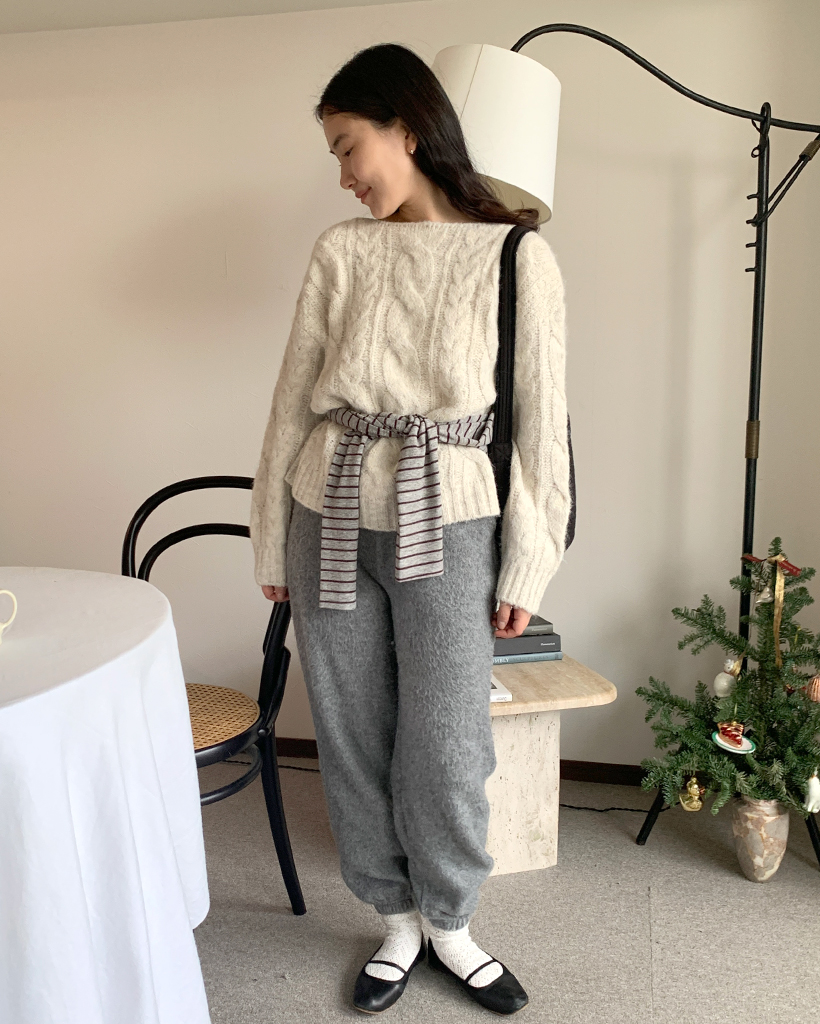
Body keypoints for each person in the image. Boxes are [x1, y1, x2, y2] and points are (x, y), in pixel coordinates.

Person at [250, 42, 571, 1017]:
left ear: (409, 127)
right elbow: (291, 401)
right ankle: (393, 920)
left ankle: (452, 922)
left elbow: (542, 423)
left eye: (350, 147)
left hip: (453, 512)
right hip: (330, 506)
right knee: (350, 727)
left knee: (446, 739)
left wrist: (528, 560)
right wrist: (270, 536)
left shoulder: (516, 255)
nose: (344, 175)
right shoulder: (341, 250)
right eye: (336, 157)